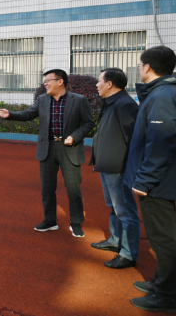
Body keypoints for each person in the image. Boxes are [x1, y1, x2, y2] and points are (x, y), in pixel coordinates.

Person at [0, 69, 94, 238]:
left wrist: (74, 137)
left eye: (48, 80)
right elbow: (28, 114)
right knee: (47, 189)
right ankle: (50, 220)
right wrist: (10, 114)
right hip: (47, 148)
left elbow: (88, 123)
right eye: (45, 81)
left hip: (70, 148)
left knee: (73, 189)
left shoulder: (79, 100)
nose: (45, 84)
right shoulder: (42, 100)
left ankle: (76, 223)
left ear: (60, 81)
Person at [125, 46, 176, 313]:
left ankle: (166, 295)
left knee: (163, 240)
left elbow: (161, 142)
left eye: (139, 64)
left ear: (147, 67)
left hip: (159, 183)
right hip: (164, 179)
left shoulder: (162, 96)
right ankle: (161, 284)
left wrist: (144, 180)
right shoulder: (162, 93)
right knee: (166, 237)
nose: (138, 68)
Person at [88, 68, 140, 269]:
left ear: (109, 84)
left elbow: (133, 140)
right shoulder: (111, 102)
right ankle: (115, 240)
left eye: (99, 81)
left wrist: (128, 168)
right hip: (108, 165)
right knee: (114, 206)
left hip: (118, 167)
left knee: (125, 211)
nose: (96, 84)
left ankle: (128, 254)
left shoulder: (125, 104)